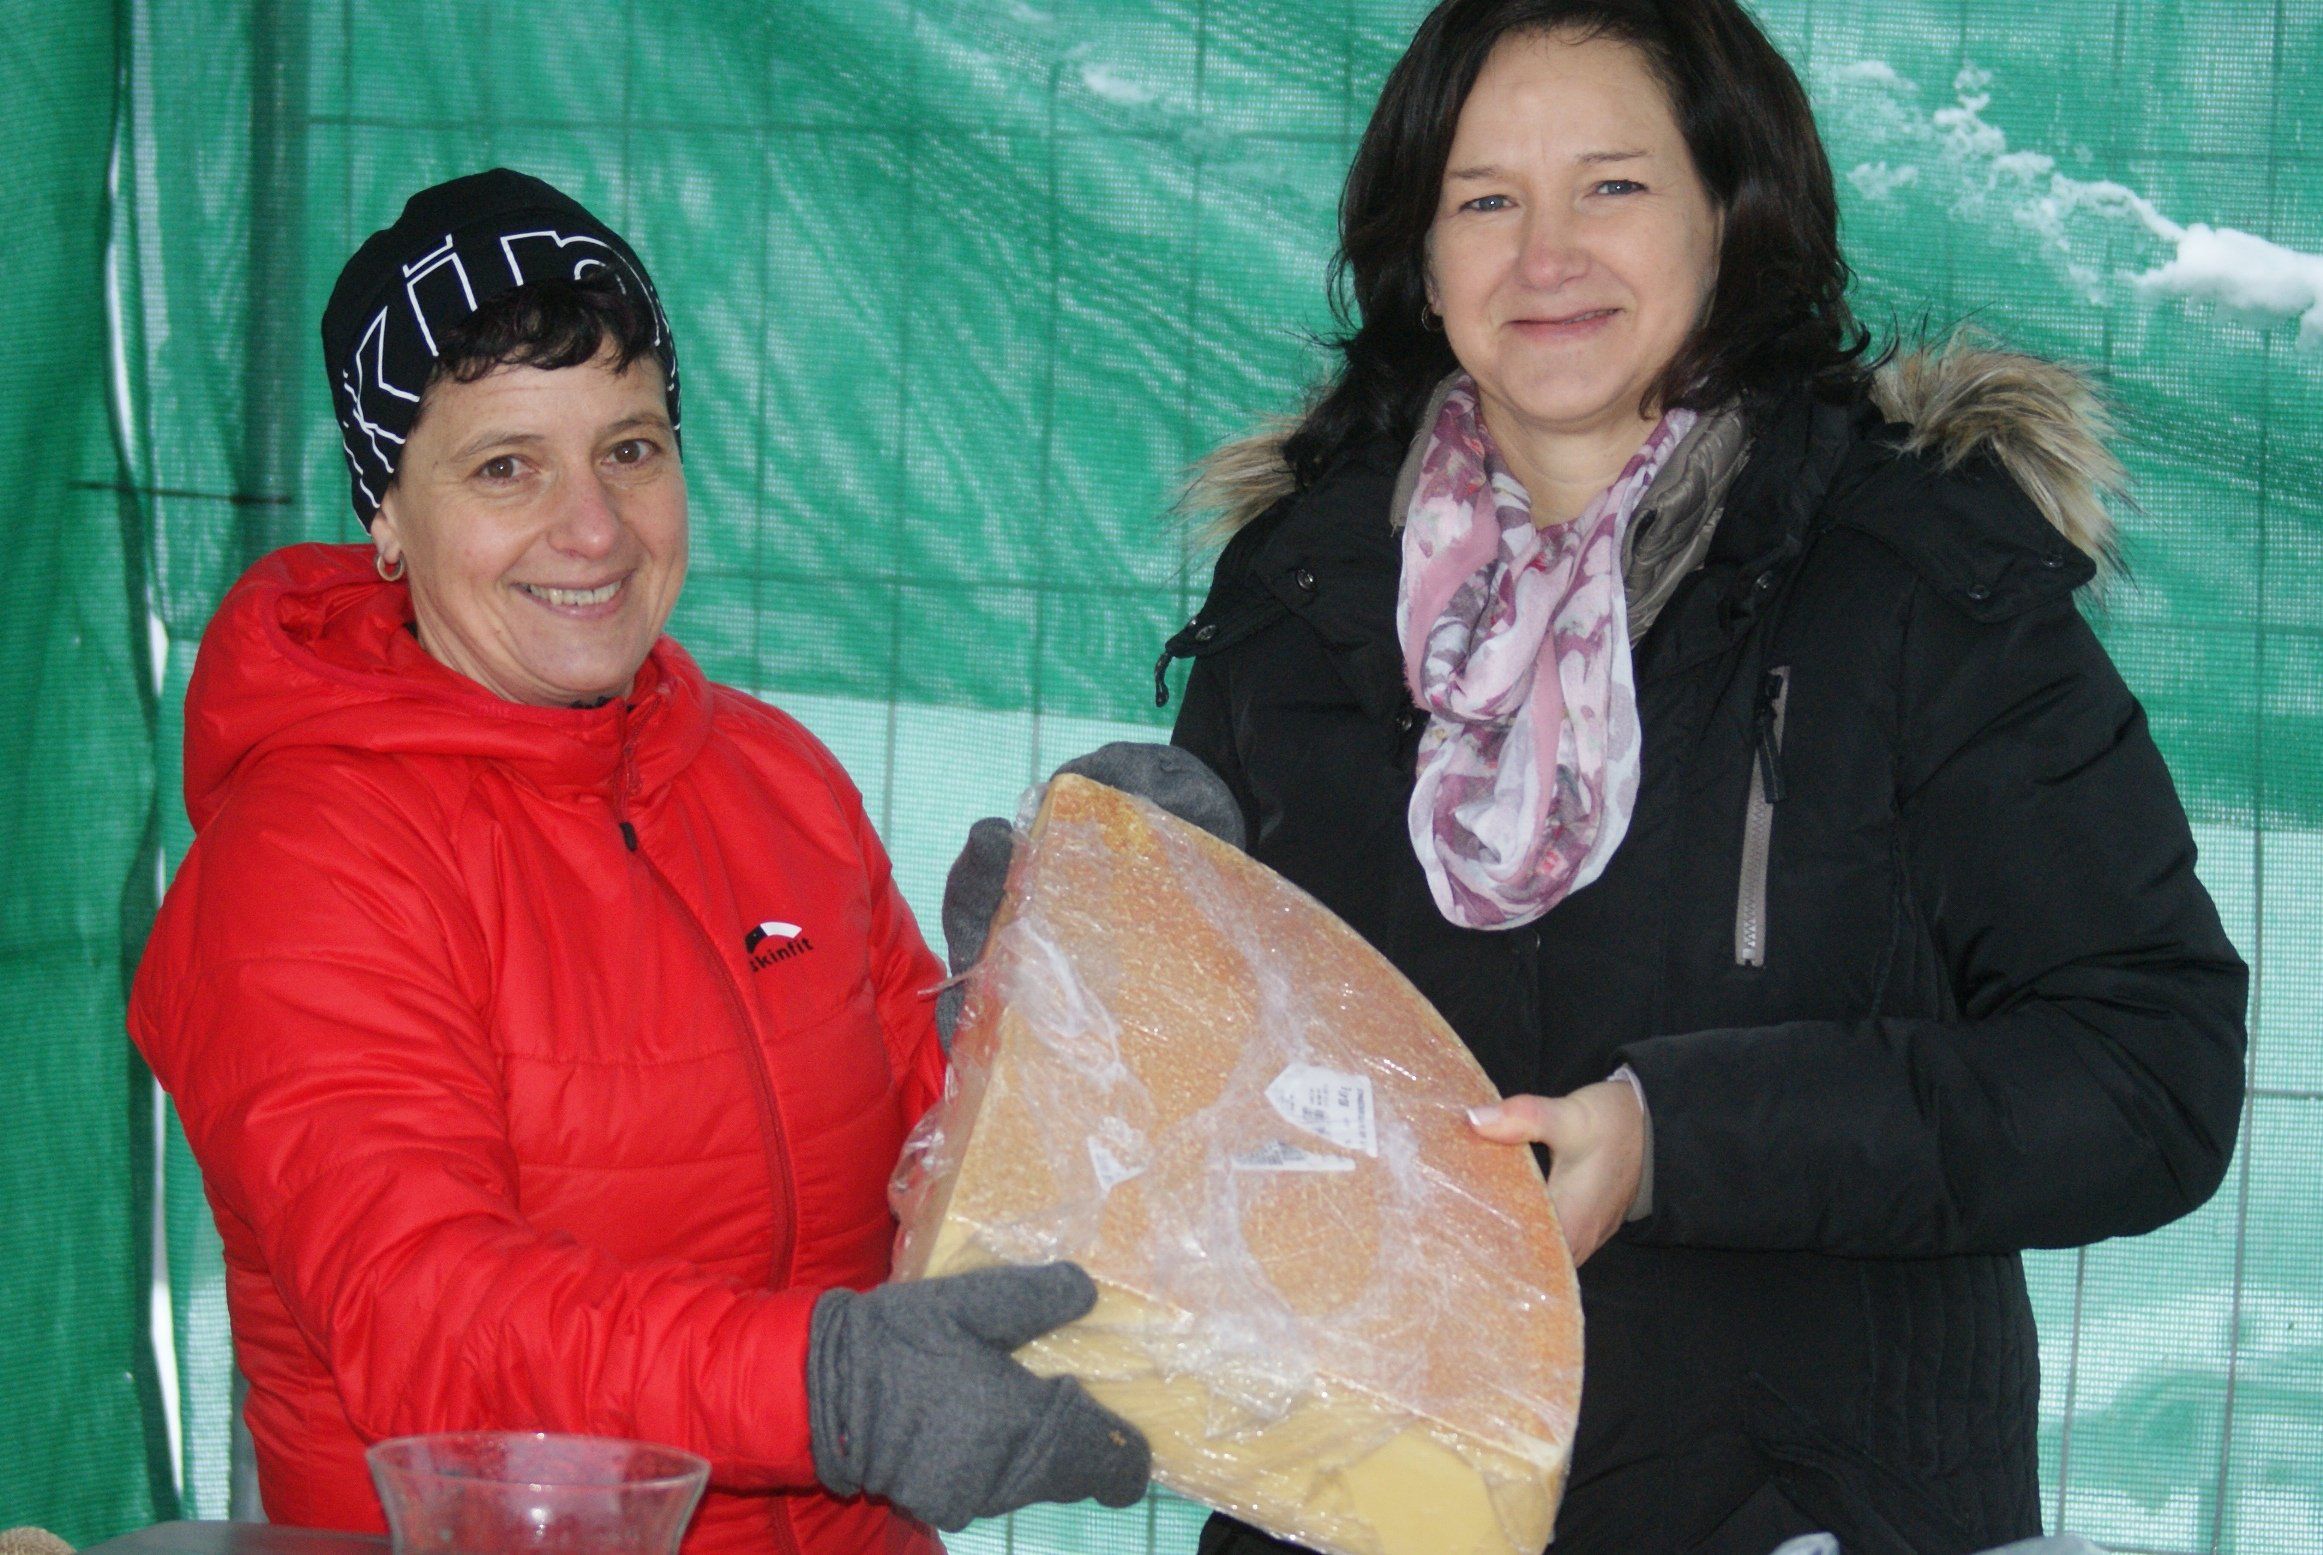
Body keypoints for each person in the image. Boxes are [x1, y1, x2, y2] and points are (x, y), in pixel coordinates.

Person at [1156, 3, 2248, 1551]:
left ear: (1732, 215)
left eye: (1613, 186)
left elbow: (2149, 1072)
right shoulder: (1300, 594)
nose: (1547, 255)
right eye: (1486, 199)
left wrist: (1682, 1137)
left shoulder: (1913, 576)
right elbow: (1191, 1090)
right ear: (1422, 254)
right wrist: (1094, 958)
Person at [128, 169, 1149, 1555]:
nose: (594, 527)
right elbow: (425, 1317)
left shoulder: (772, 779)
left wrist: (1049, 1020)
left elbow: (940, 1187)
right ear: (387, 515)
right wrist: (825, 1391)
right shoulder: (306, 861)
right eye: (505, 466)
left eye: (630, 448)